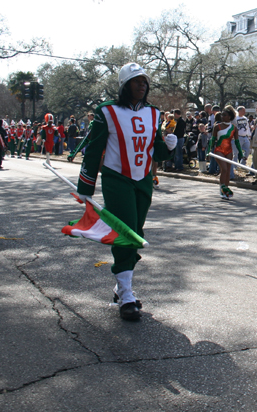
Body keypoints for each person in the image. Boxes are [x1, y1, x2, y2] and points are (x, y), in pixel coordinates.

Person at [76, 62, 169, 321]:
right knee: (125, 231)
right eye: (136, 81)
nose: (142, 85)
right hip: (117, 179)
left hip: (143, 180)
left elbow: (157, 151)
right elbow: (94, 149)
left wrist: (169, 146)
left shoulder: (154, 113)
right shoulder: (106, 111)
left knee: (136, 232)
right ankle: (127, 295)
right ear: (124, 85)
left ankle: (121, 286)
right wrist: (85, 186)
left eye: (144, 81)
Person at [208, 105, 242, 199]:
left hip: (229, 150)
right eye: (222, 115)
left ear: (230, 117)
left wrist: (241, 153)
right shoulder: (217, 126)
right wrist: (208, 151)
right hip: (219, 150)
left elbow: (237, 142)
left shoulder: (234, 128)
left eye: (224, 115)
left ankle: (226, 188)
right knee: (224, 169)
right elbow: (212, 139)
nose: (222, 117)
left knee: (228, 171)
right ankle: (222, 188)